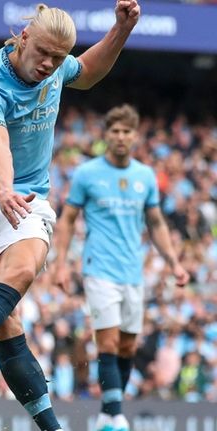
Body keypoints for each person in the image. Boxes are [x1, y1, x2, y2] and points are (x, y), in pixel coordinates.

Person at [0, 2, 141, 431]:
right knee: (5, 321)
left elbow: (87, 72)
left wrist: (121, 30)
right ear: (22, 39)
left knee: (21, 272)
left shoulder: (54, 68)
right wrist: (2, 189)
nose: (49, 65)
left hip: (27, 198)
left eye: (58, 58)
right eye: (44, 54)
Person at [52, 104, 189, 431]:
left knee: (127, 345)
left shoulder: (144, 176)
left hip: (133, 271)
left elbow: (155, 223)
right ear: (106, 135)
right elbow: (68, 219)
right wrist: (60, 264)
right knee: (109, 342)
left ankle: (107, 412)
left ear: (135, 136)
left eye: (127, 132)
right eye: (115, 131)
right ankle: (115, 415)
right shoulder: (87, 173)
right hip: (98, 268)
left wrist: (173, 262)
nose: (121, 137)